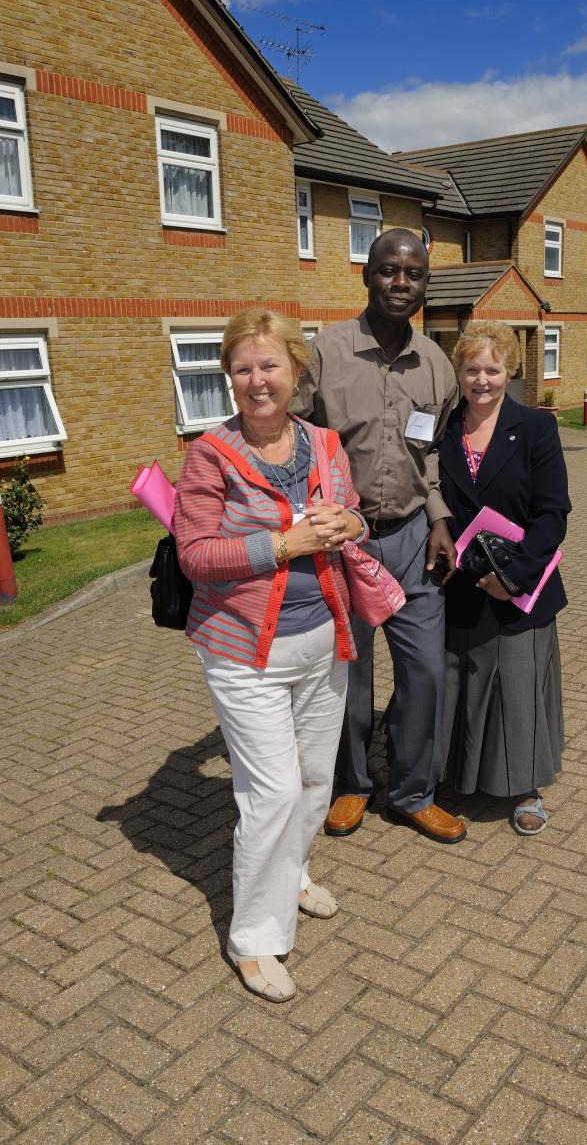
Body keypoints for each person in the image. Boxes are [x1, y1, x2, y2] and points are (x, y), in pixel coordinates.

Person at [174, 309, 368, 1002]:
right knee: (273, 793)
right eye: (243, 368)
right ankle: (253, 939)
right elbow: (196, 556)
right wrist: (284, 547)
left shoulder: (322, 441)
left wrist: (348, 523)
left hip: (325, 642)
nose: (257, 381)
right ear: (230, 378)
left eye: (269, 366)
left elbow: (352, 513)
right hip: (244, 654)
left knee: (316, 778)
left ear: (295, 371)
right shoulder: (209, 455)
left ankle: (294, 874)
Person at [294, 228, 466, 844]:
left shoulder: (438, 365)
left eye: (414, 274)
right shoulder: (325, 354)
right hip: (347, 544)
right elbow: (293, 444)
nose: (401, 282)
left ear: (425, 284)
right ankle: (351, 784)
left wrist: (441, 517)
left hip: (417, 540)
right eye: (389, 270)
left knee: (425, 672)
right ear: (367, 275)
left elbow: (433, 453)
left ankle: (414, 792)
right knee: (352, 671)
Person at [438, 320, 571, 834]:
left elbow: (553, 512)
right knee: (463, 683)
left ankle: (526, 787)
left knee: (517, 686)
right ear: (460, 372)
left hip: (522, 586)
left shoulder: (537, 427)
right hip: (462, 586)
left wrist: (513, 576)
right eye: (472, 369)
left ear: (509, 371)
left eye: (492, 369)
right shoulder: (444, 429)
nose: (482, 380)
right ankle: (460, 776)